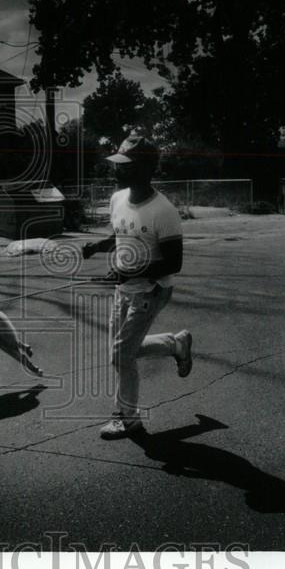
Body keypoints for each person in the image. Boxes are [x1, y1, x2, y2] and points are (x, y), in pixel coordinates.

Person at [82, 133, 192, 439]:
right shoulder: (118, 198)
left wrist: (130, 275)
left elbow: (173, 263)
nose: (116, 170)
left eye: (124, 165)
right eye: (117, 164)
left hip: (151, 291)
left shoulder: (163, 211)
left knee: (121, 355)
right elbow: (121, 234)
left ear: (144, 170)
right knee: (123, 352)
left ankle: (127, 418)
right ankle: (176, 344)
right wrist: (98, 246)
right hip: (126, 289)